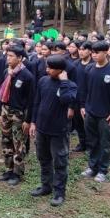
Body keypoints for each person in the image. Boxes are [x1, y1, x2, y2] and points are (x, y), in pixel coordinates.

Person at [28, 55, 77, 206]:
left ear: (60, 70)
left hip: (58, 131)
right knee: (43, 159)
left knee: (60, 162)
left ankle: (59, 193)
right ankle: (46, 186)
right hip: (42, 128)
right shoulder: (43, 81)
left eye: (50, 68)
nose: (47, 69)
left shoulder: (70, 85)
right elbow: (37, 102)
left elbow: (66, 100)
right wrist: (33, 122)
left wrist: (64, 82)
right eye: (47, 66)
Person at [79, 42, 110, 183]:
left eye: (97, 52)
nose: (94, 55)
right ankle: (92, 166)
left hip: (106, 114)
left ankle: (103, 170)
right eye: (93, 52)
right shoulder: (89, 69)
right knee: (92, 141)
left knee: (105, 143)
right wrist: (83, 106)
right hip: (90, 112)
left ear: (105, 52)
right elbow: (84, 89)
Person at [0, 44, 35, 186]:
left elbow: (31, 100)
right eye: (7, 55)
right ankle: (8, 169)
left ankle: (17, 173)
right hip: (6, 110)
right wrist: (0, 111)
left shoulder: (27, 76)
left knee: (19, 143)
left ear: (20, 58)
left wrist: (28, 120)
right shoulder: (6, 72)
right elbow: (1, 93)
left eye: (11, 56)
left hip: (19, 114)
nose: (8, 58)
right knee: (6, 140)